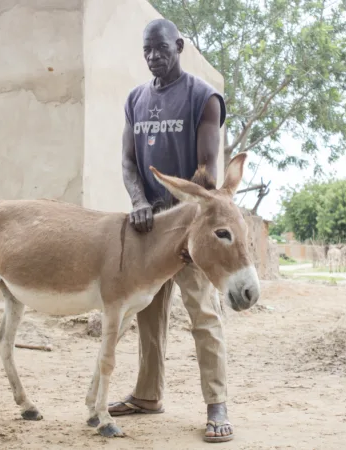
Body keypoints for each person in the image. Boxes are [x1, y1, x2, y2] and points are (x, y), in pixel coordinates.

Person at [110, 18, 233, 443]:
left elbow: (207, 172)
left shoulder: (204, 98)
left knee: (204, 314)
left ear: (179, 46)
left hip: (190, 228)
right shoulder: (135, 99)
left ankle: (216, 404)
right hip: (149, 229)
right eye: (146, 51)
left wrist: (180, 218)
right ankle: (147, 395)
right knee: (149, 315)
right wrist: (141, 203)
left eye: (160, 49)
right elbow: (128, 162)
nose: (152, 57)